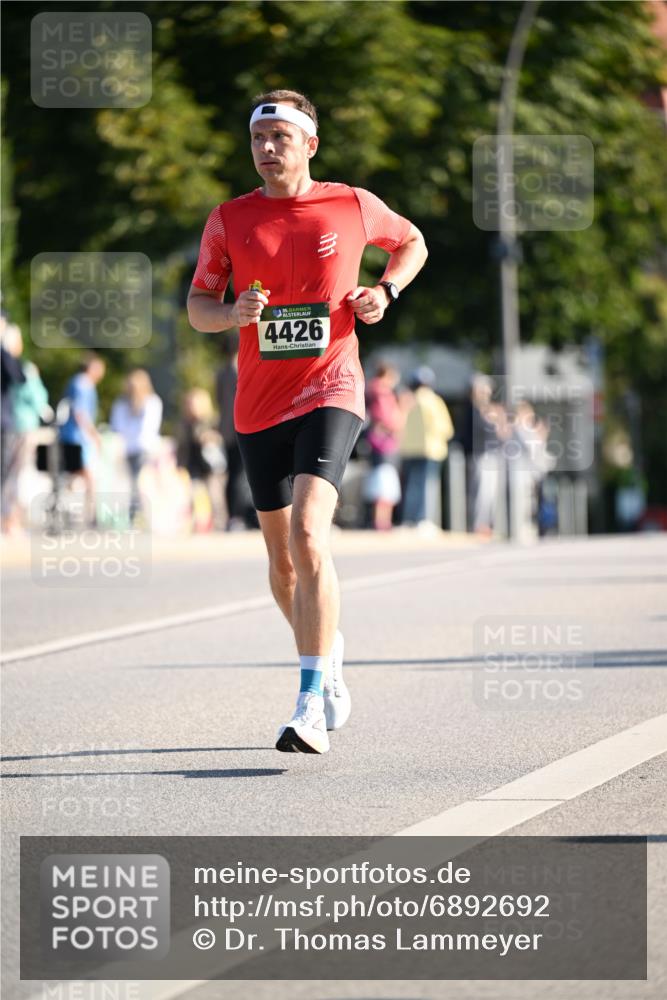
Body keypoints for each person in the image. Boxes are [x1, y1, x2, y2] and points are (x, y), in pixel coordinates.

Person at [188, 89, 427, 754]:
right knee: (282, 565)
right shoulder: (229, 219)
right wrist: (231, 314)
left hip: (332, 387)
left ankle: (310, 703)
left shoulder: (350, 204)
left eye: (281, 139)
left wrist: (385, 290)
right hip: (258, 403)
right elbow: (198, 306)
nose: (267, 150)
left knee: (307, 532)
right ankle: (329, 646)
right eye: (258, 140)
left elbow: (410, 242)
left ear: (309, 145)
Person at [399, 366, 454, 528]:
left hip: (408, 449)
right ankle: (423, 520)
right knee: (427, 486)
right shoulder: (434, 401)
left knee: (410, 487)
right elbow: (446, 429)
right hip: (431, 449)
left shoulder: (407, 400)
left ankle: (408, 520)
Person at [215, 332, 257, 531]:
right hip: (240, 426)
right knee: (241, 475)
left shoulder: (221, 372)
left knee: (233, 473)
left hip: (226, 428)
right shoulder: (240, 370)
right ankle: (238, 515)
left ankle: (234, 515)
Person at [58, 352, 106, 526]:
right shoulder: (83, 384)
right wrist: (94, 434)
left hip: (72, 437)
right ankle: (91, 518)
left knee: (74, 477)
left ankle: (73, 514)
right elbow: (80, 413)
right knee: (87, 478)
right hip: (76, 438)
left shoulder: (77, 382)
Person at [110, 369, 163, 524]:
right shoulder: (122, 404)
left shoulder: (151, 402)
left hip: (145, 449)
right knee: (131, 484)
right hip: (128, 449)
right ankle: (134, 516)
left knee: (140, 483)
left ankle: (140, 516)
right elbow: (117, 426)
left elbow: (148, 427)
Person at [362, 362, 405, 531]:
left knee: (382, 481)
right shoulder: (382, 392)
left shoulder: (372, 390)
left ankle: (380, 520)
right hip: (384, 443)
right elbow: (387, 418)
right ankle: (382, 521)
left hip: (376, 442)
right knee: (384, 483)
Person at [176, 388, 226, 532]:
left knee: (215, 496)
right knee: (192, 495)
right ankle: (192, 524)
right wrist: (179, 465)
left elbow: (220, 439)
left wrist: (209, 437)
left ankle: (220, 523)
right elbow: (182, 446)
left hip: (211, 467)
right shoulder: (184, 425)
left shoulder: (211, 421)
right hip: (193, 466)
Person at [1, 319, 27, 533]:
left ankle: (8, 519)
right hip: (6, 423)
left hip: (7, 423)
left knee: (8, 474)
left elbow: (18, 376)